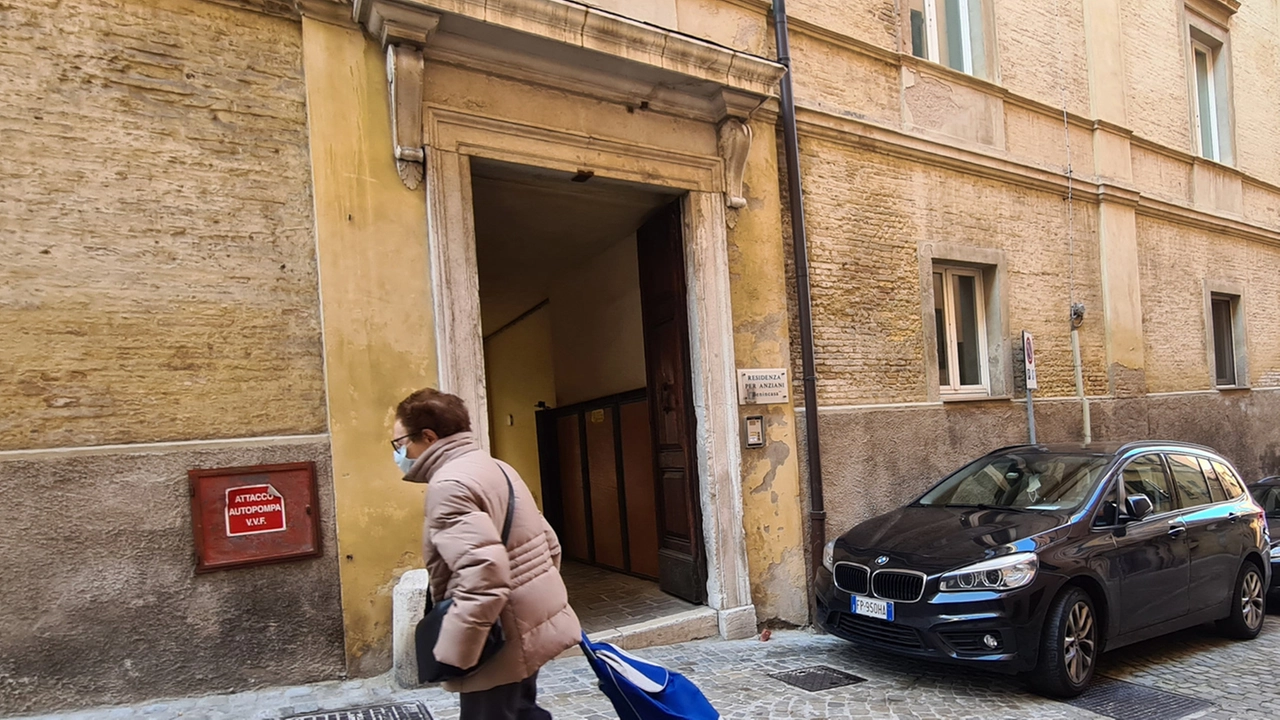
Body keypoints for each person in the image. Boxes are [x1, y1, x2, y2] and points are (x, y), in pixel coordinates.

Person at [392, 388, 581, 719]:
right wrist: (535, 601)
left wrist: (456, 653)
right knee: (522, 711)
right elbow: (549, 542)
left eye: (401, 443)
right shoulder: (498, 468)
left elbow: (484, 577)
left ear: (428, 437)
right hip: (525, 626)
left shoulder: (449, 484)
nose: (399, 453)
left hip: (495, 639)